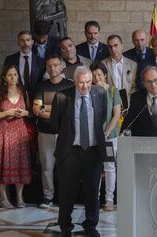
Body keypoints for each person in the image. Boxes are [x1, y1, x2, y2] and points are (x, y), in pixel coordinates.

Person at [50, 66, 107, 237]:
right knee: (67, 192)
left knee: (92, 193)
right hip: (70, 152)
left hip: (92, 151)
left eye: (88, 82)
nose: (85, 86)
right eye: (81, 83)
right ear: (74, 82)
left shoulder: (100, 93)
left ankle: (90, 225)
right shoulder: (61, 97)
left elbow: (101, 118)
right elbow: (55, 124)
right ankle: (65, 227)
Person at [33, 55, 74, 209]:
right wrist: (57, 109)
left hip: (66, 133)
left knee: (67, 166)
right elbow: (36, 109)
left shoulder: (70, 85)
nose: (52, 68)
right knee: (47, 166)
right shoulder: (41, 87)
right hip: (46, 132)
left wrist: (47, 108)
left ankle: (66, 196)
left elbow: (70, 110)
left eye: (55, 65)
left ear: (62, 67)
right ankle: (47, 197)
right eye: (49, 66)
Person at [0, 65, 31, 208]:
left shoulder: (22, 91)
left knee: (20, 163)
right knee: (2, 163)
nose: (13, 77)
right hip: (4, 132)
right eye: (9, 75)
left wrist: (23, 113)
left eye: (15, 74)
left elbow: (28, 111)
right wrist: (7, 113)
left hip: (20, 131)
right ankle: (3, 197)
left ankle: (20, 198)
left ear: (18, 76)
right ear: (4, 77)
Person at [90, 62, 121, 212]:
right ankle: (94, 199)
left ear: (105, 75)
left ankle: (109, 199)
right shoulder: (89, 91)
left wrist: (106, 132)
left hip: (109, 136)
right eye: (94, 75)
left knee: (109, 167)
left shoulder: (114, 91)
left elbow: (116, 115)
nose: (97, 78)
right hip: (92, 137)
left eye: (99, 75)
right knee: (94, 167)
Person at [3, 31, 45, 102]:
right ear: (18, 43)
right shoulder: (10, 59)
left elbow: (43, 81)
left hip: (36, 98)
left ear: (32, 42)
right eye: (22, 40)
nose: (25, 43)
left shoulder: (41, 62)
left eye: (28, 40)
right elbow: (5, 79)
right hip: (15, 97)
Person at [102, 34, 138, 106]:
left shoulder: (132, 65)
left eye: (116, 45)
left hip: (128, 102)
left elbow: (134, 86)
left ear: (121, 46)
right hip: (109, 102)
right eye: (110, 47)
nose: (113, 49)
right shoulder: (103, 64)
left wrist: (128, 98)